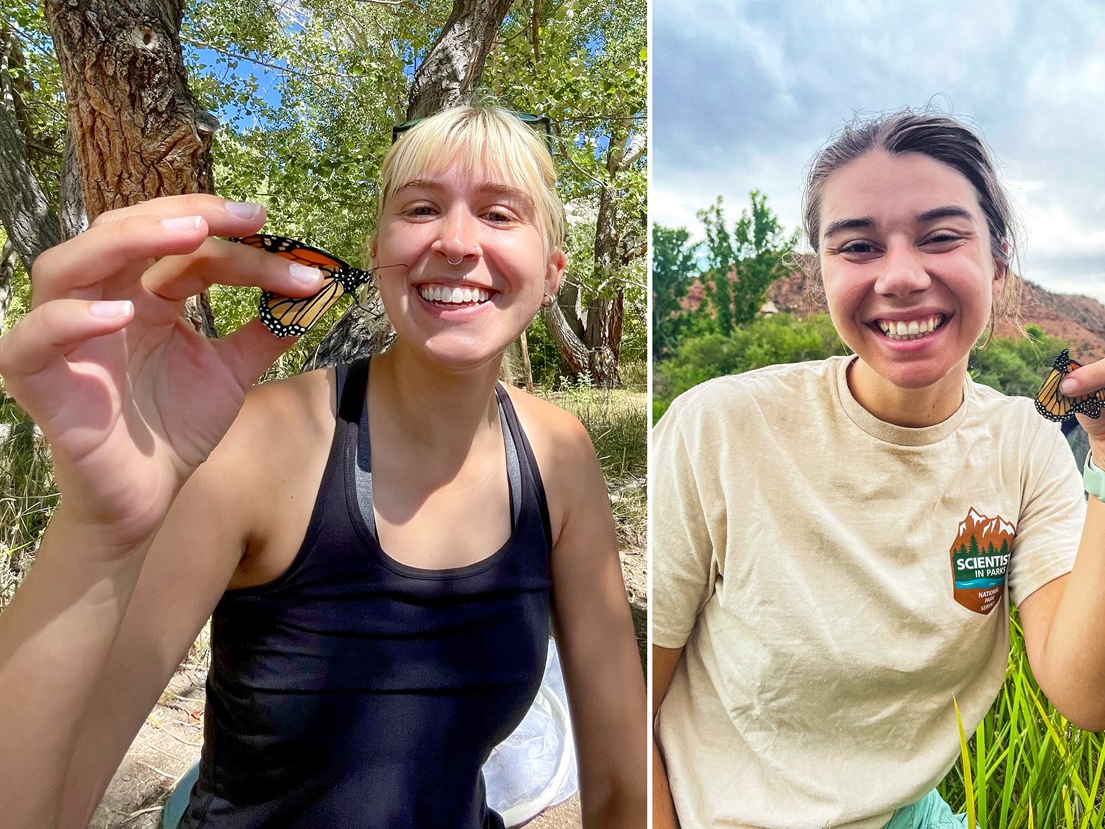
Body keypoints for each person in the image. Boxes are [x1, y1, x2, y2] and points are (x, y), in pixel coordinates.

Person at [0, 105, 646, 829]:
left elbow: (623, 782)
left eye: (499, 214)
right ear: (377, 250)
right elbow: (45, 803)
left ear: (553, 271)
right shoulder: (260, 443)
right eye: (423, 207)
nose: (457, 241)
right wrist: (98, 530)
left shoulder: (559, 455)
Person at [650, 110, 1105, 829]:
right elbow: (631, 696)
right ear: (821, 269)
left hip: (908, 810)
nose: (902, 276)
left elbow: (1086, 695)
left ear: (996, 263)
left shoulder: (1024, 442)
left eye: (941, 237)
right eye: (858, 246)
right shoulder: (718, 428)